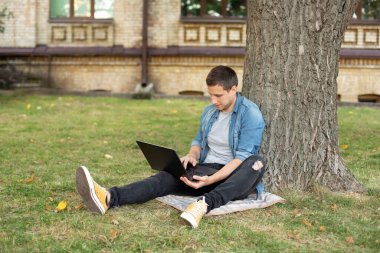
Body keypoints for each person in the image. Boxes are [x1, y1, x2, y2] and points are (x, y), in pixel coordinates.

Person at [76, 65, 266, 228]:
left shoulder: (250, 113)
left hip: (233, 177)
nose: (213, 101)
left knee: (257, 163)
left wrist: (211, 180)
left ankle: (204, 205)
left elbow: (241, 158)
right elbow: (199, 141)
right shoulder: (210, 112)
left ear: (234, 89)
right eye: (210, 95)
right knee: (164, 178)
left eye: (218, 95)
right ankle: (108, 197)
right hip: (206, 171)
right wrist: (192, 155)